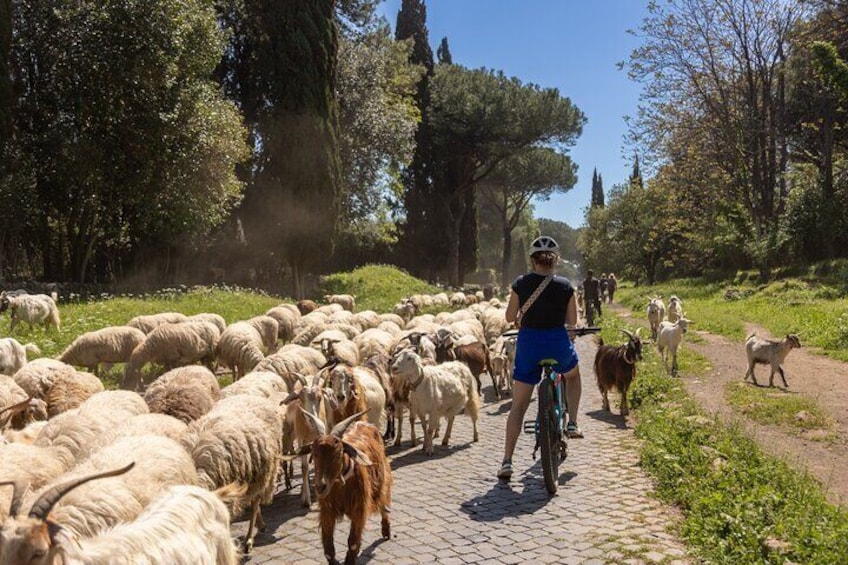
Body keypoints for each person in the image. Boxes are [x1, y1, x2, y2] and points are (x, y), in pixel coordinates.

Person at [497, 236, 583, 481]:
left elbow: (509, 316)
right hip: (556, 342)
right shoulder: (566, 285)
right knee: (573, 375)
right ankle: (573, 422)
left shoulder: (520, 283)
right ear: (555, 259)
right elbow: (572, 322)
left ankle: (507, 461)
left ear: (532, 260)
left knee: (518, 406)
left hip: (528, 345)